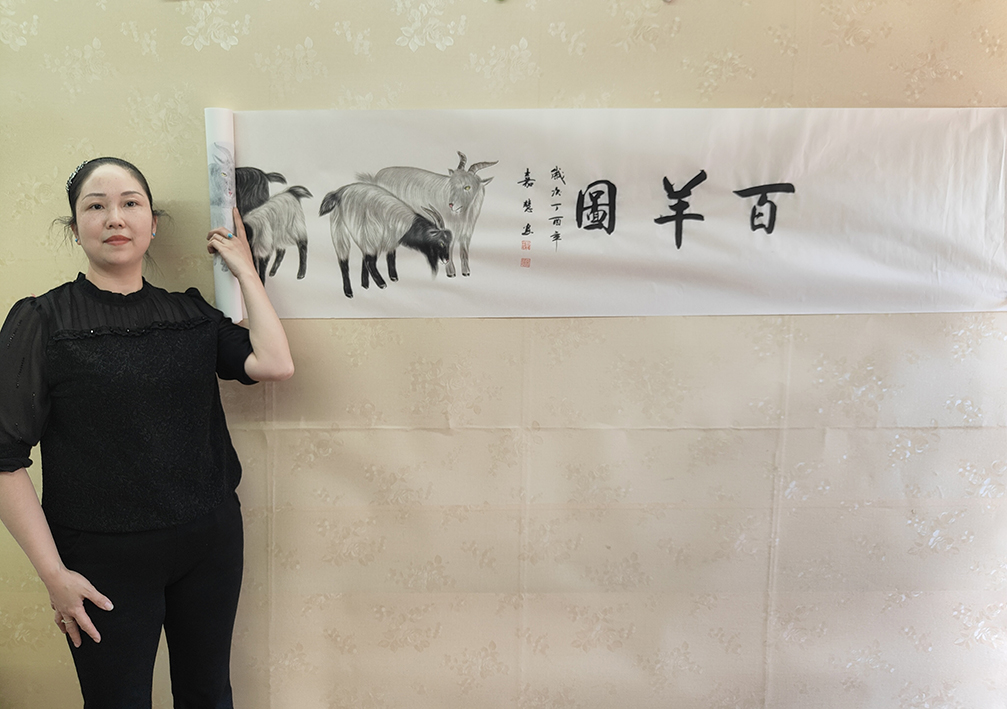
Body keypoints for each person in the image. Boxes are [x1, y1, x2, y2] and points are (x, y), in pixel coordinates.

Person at [0, 157, 294, 708]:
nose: (115, 217)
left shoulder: (189, 313)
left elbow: (275, 364)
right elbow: (4, 458)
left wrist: (245, 272)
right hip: (101, 558)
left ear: (152, 223)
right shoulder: (43, 322)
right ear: (75, 228)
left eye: (130, 203)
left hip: (210, 542)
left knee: (209, 695)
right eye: (96, 206)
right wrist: (54, 575)